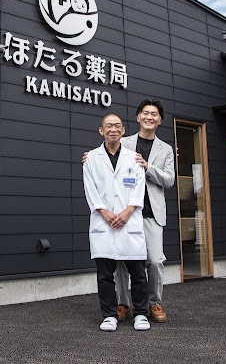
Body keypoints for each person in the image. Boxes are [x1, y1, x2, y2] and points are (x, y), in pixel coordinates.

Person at [83, 100, 175, 323]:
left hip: (149, 211)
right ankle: (123, 303)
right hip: (120, 213)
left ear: (160, 120)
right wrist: (89, 157)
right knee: (121, 262)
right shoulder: (125, 141)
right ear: (138, 117)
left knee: (154, 261)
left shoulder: (165, 149)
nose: (149, 117)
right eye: (145, 113)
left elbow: (169, 180)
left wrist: (148, 166)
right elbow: (106, 151)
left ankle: (153, 303)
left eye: (154, 114)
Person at [83, 113, 151, 332]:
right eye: (109, 126)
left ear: (123, 131)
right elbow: (90, 189)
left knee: (138, 274)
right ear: (101, 131)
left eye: (117, 126)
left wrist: (127, 212)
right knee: (105, 275)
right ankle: (109, 315)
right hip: (103, 223)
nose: (113, 129)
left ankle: (141, 314)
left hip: (129, 222)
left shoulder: (135, 158)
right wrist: (103, 212)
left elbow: (139, 189)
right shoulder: (91, 158)